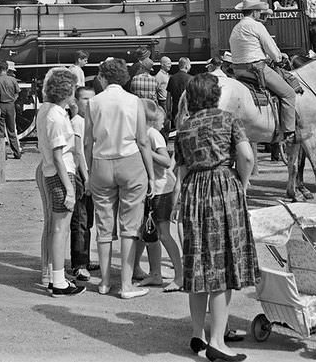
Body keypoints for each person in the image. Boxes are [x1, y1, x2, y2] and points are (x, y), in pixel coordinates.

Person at [174, 73, 257, 361]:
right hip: (223, 188)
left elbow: (181, 172)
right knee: (222, 269)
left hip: (194, 191)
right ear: (215, 95)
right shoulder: (228, 120)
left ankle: (198, 335)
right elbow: (246, 156)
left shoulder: (184, 128)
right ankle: (217, 342)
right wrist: (242, 184)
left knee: (198, 268)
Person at [84, 57, 155, 299]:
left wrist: (87, 172)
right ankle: (126, 284)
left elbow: (87, 141)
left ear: (103, 77)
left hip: (101, 163)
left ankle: (104, 282)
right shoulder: (134, 101)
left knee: (104, 225)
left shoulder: (93, 102)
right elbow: (143, 140)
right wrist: (152, 176)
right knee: (130, 225)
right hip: (130, 161)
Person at [36, 68, 85, 297]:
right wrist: (69, 189)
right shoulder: (56, 116)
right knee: (60, 228)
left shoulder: (46, 110)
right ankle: (58, 281)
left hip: (52, 171)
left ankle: (56, 277)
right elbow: (58, 155)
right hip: (61, 172)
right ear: (67, 91)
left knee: (57, 228)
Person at [133, 99, 184, 293]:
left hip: (162, 189)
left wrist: (146, 151)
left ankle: (179, 275)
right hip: (151, 189)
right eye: (161, 119)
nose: (164, 123)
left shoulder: (152, 134)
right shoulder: (144, 132)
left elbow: (164, 160)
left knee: (163, 233)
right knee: (148, 232)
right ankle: (155, 273)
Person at [229, 0, 295, 142]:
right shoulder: (256, 26)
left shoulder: (237, 27)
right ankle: (289, 131)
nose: (260, 14)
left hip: (239, 71)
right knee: (289, 93)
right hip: (256, 69)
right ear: (254, 12)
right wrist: (279, 58)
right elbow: (270, 47)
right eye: (259, 11)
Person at [70, 86, 96, 282]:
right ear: (77, 102)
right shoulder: (77, 122)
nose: (89, 103)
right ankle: (79, 264)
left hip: (91, 173)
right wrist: (86, 178)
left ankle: (85, 259)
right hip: (81, 174)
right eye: (85, 99)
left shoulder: (90, 122)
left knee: (88, 220)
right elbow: (79, 153)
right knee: (80, 220)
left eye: (92, 99)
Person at [0, 60, 23, 160]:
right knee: (11, 130)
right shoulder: (12, 80)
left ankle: (3, 154)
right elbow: (17, 93)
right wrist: (12, 100)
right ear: (7, 69)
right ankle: (17, 153)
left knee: (1, 131)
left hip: (1, 105)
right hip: (11, 105)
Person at [166, 57, 193, 135]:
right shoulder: (191, 79)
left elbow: (168, 96)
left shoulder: (172, 78)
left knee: (176, 132)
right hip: (187, 110)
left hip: (175, 109)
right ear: (186, 66)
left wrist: (168, 110)